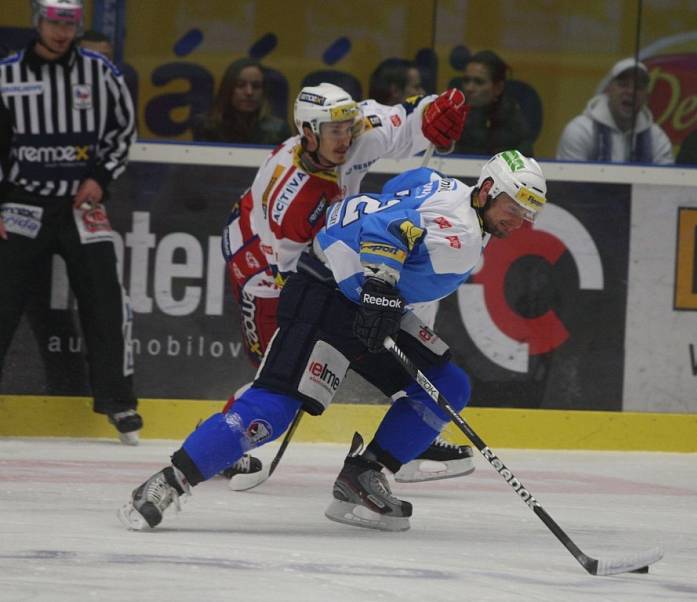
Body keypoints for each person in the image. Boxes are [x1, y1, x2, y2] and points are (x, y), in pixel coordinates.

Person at [118, 149, 548, 532]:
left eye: (530, 213)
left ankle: (364, 473)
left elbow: (401, 187)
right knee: (271, 410)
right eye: (515, 206)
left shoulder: (446, 186)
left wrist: (379, 292)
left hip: (369, 300)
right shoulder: (462, 234)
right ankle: (168, 481)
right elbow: (386, 226)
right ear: (489, 189)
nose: (521, 220)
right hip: (325, 294)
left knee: (447, 384)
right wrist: (380, 284)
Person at [217, 82, 473, 487]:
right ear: (308, 133)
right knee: (280, 366)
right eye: (333, 131)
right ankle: (224, 442)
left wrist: (433, 113)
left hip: (331, 239)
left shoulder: (355, 131)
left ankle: (412, 436)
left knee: (408, 300)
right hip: (263, 267)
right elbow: (294, 272)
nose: (345, 138)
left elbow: (404, 122)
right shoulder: (290, 194)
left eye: (347, 128)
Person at [0, 0, 140, 443]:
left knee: (104, 299)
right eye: (54, 22)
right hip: (23, 203)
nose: (62, 32)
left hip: (82, 205)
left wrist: (100, 177)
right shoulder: (5, 75)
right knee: (2, 302)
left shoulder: (101, 73)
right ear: (38, 22)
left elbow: (123, 130)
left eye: (70, 23)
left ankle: (118, 402)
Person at [556, 57, 673, 164]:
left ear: (647, 97)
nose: (631, 92)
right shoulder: (581, 131)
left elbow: (667, 184)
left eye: (638, 87)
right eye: (623, 85)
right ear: (608, 90)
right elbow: (570, 185)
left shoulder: (657, 138)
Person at [192, 58, 291, 145]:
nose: (249, 92)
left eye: (256, 86)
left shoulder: (278, 131)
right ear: (228, 89)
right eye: (240, 85)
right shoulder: (207, 126)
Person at [454, 50, 533, 156]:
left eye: (479, 82)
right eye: (466, 80)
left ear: (498, 88)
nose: (469, 88)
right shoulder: (452, 118)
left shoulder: (514, 125)